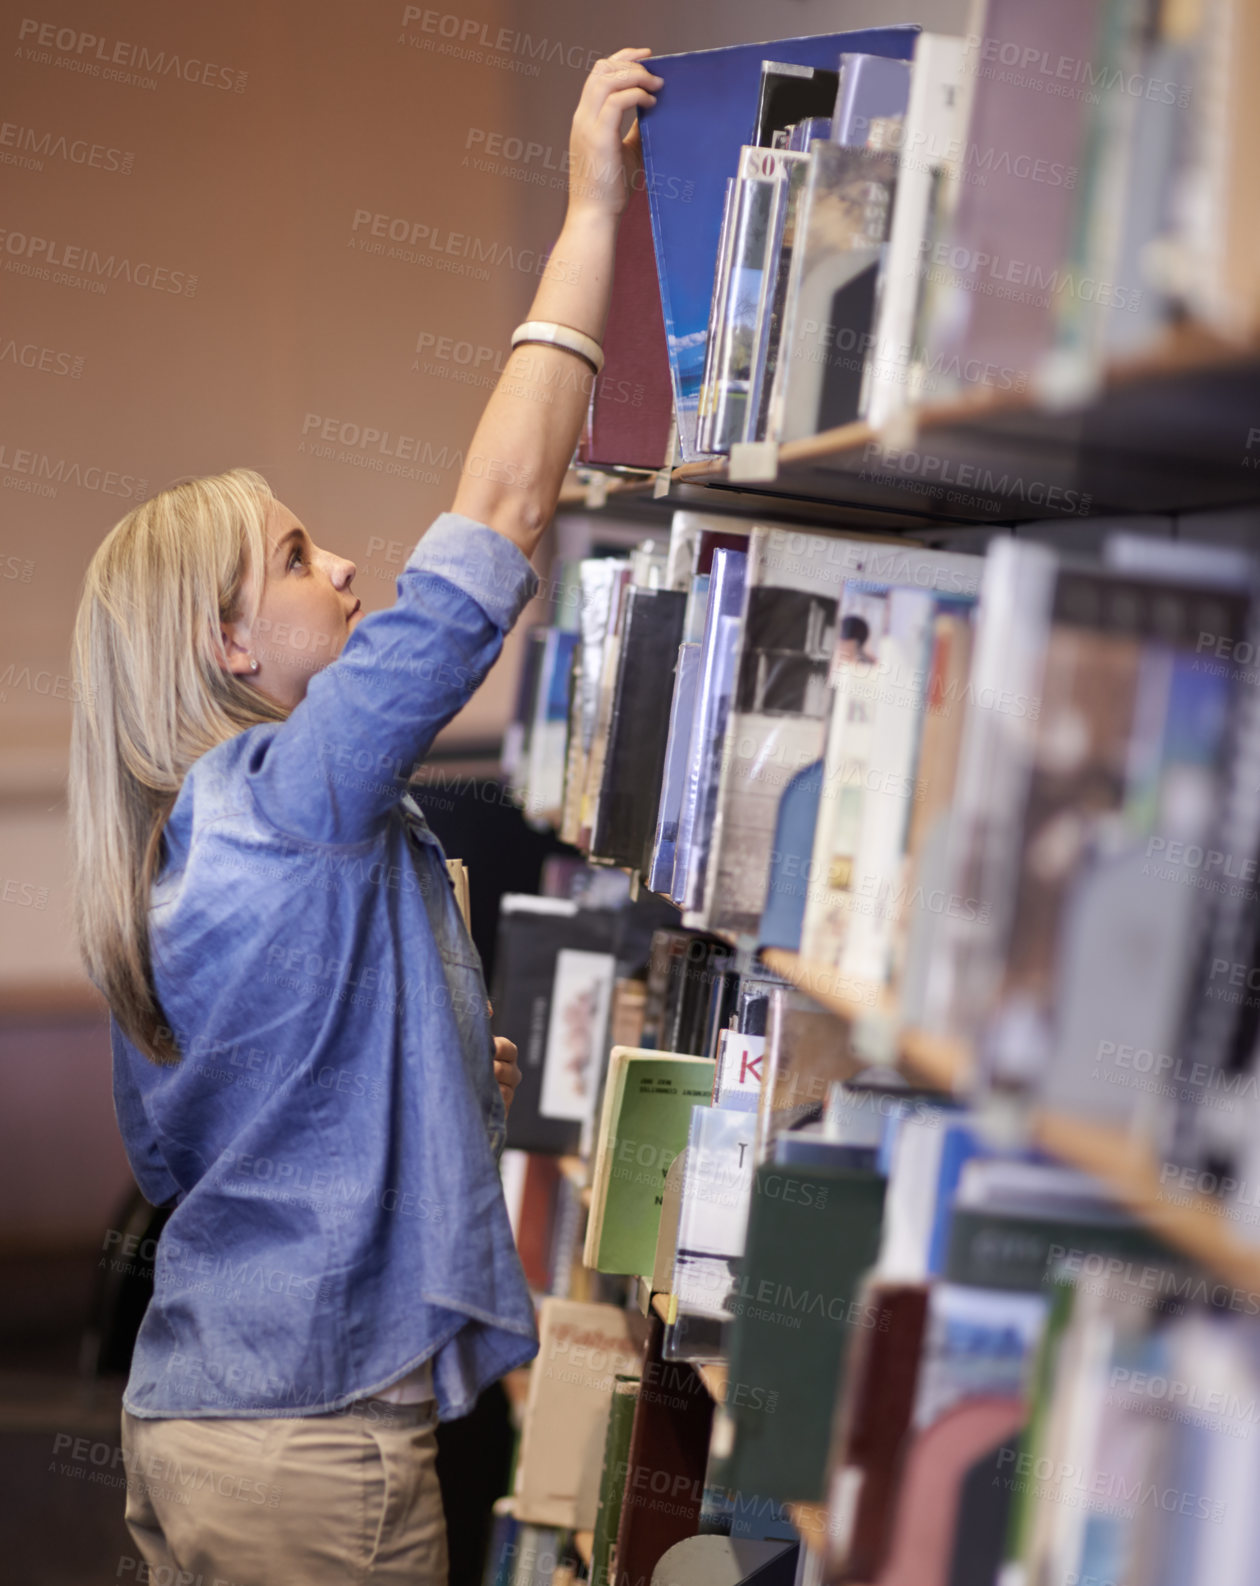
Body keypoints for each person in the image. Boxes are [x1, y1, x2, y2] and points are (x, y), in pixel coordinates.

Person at [67, 48, 663, 1586]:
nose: (344, 570)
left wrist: (439, 1056)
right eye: (298, 553)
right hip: (317, 1444)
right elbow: (504, 518)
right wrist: (591, 214)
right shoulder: (294, 795)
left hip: (200, 1419)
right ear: (228, 646)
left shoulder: (176, 849)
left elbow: (248, 1129)